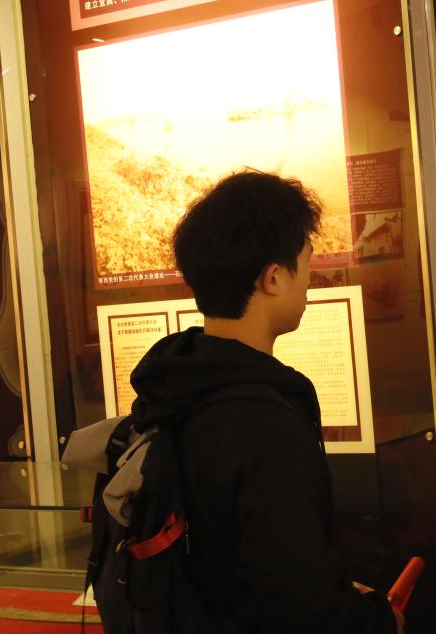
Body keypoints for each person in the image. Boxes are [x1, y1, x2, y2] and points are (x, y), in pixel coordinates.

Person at [128, 170, 402, 633]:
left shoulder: (172, 388)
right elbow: (300, 608)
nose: (309, 282)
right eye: (306, 263)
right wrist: (380, 620)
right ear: (273, 277)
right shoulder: (264, 425)